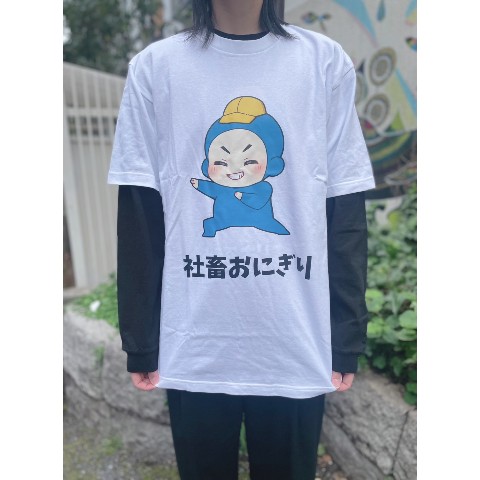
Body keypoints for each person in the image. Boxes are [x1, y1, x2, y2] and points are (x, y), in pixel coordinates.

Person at [107, 0, 375, 478]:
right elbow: (140, 212)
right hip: (195, 340)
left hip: (296, 338)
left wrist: (346, 332)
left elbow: (345, 206)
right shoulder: (155, 68)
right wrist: (141, 339)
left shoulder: (323, 61)